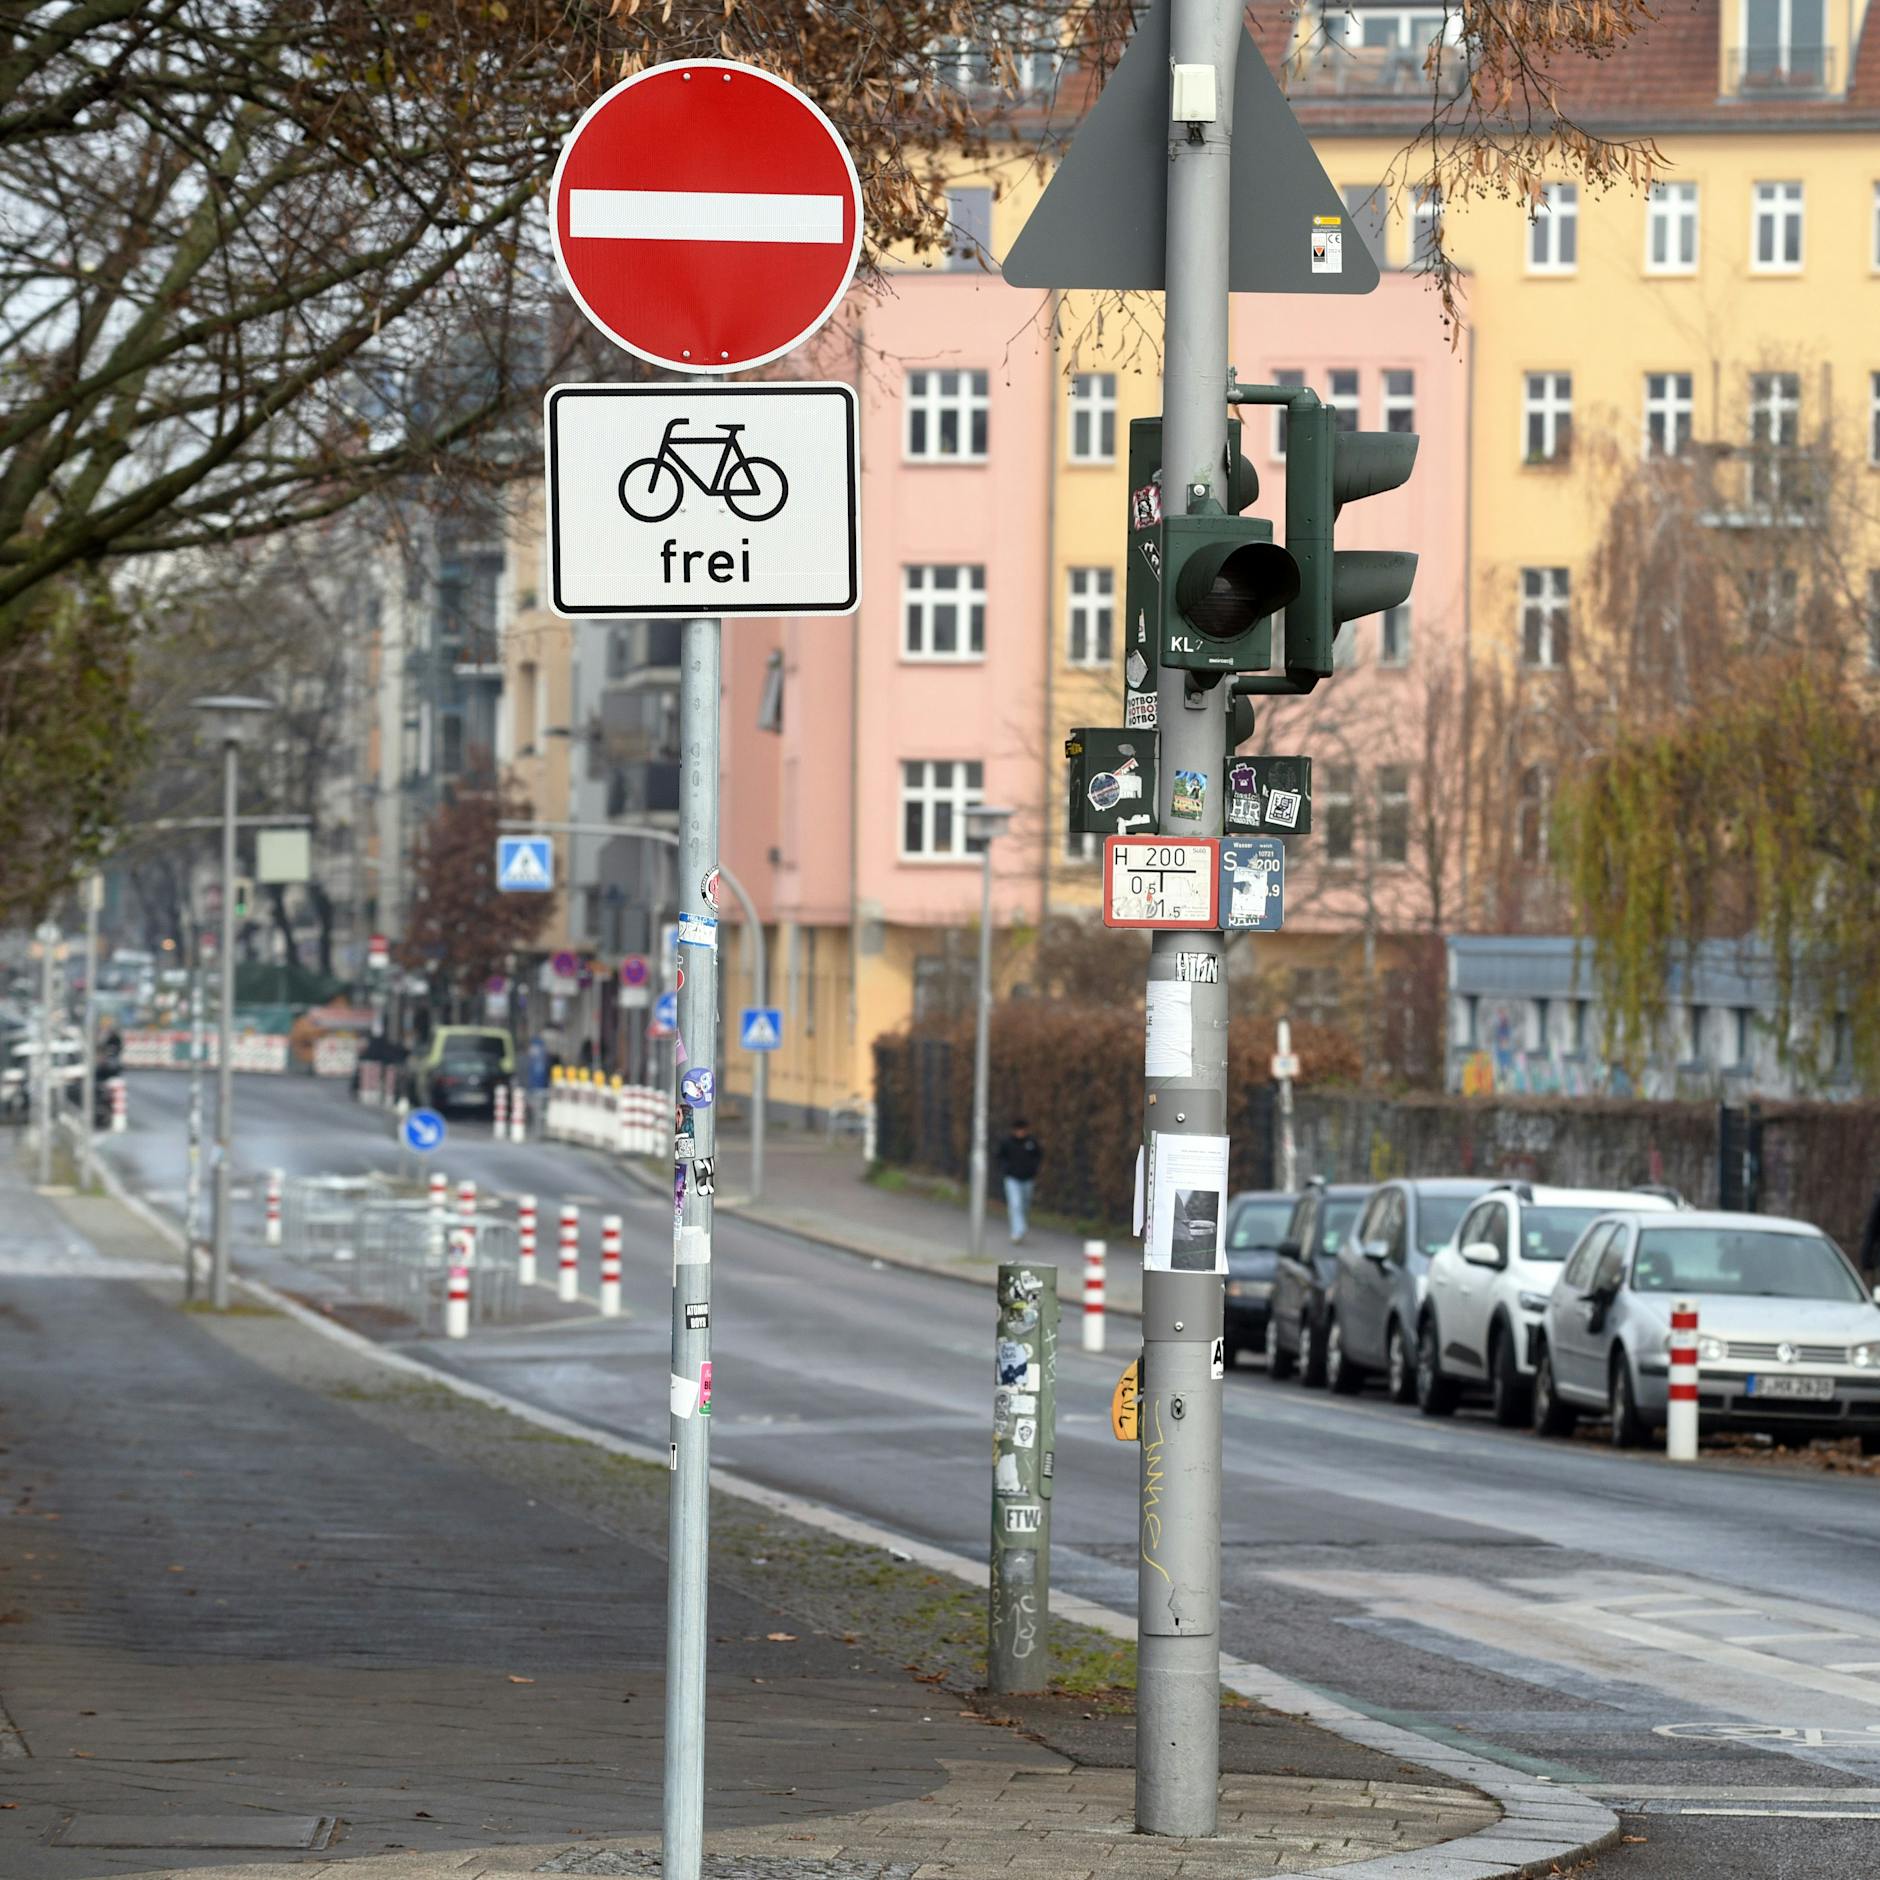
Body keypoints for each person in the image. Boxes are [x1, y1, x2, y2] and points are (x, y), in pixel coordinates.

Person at [995, 1119, 1043, 1244]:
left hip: (1027, 1179)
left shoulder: (1031, 1142)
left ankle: (1021, 1227)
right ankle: (1017, 1231)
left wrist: (1033, 1169)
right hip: (1012, 1178)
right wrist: (1006, 1169)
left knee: (1024, 1205)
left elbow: (1038, 1156)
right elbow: (1000, 1157)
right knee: (1015, 1204)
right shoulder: (1007, 1142)